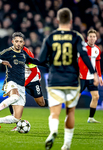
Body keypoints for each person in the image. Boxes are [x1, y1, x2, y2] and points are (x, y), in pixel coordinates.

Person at [38, 8, 99, 150]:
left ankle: (53, 131)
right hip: (72, 80)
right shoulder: (76, 36)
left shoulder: (50, 37)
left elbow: (41, 59)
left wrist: (52, 63)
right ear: (71, 21)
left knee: (54, 112)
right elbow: (84, 55)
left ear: (57, 21)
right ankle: (66, 145)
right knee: (70, 112)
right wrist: (94, 73)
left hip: (55, 80)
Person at [0, 32, 47, 131]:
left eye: (20, 42)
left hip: (21, 85)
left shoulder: (24, 54)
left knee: (16, 118)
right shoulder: (7, 52)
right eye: (16, 41)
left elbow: (34, 62)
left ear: (23, 43)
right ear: (12, 42)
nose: (18, 43)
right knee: (14, 97)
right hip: (11, 82)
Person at [9, 46, 48, 131]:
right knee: (11, 99)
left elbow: (34, 72)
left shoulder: (27, 53)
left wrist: (25, 83)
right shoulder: (10, 52)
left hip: (33, 80)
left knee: (41, 103)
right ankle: (18, 124)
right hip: (21, 80)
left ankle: (56, 102)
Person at [78, 29, 103, 123]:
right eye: (90, 36)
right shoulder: (82, 47)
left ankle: (91, 118)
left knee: (96, 96)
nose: (92, 38)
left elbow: (97, 64)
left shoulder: (97, 50)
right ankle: (68, 116)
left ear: (96, 38)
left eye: (94, 36)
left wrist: (99, 76)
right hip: (81, 77)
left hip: (92, 78)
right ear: (87, 38)